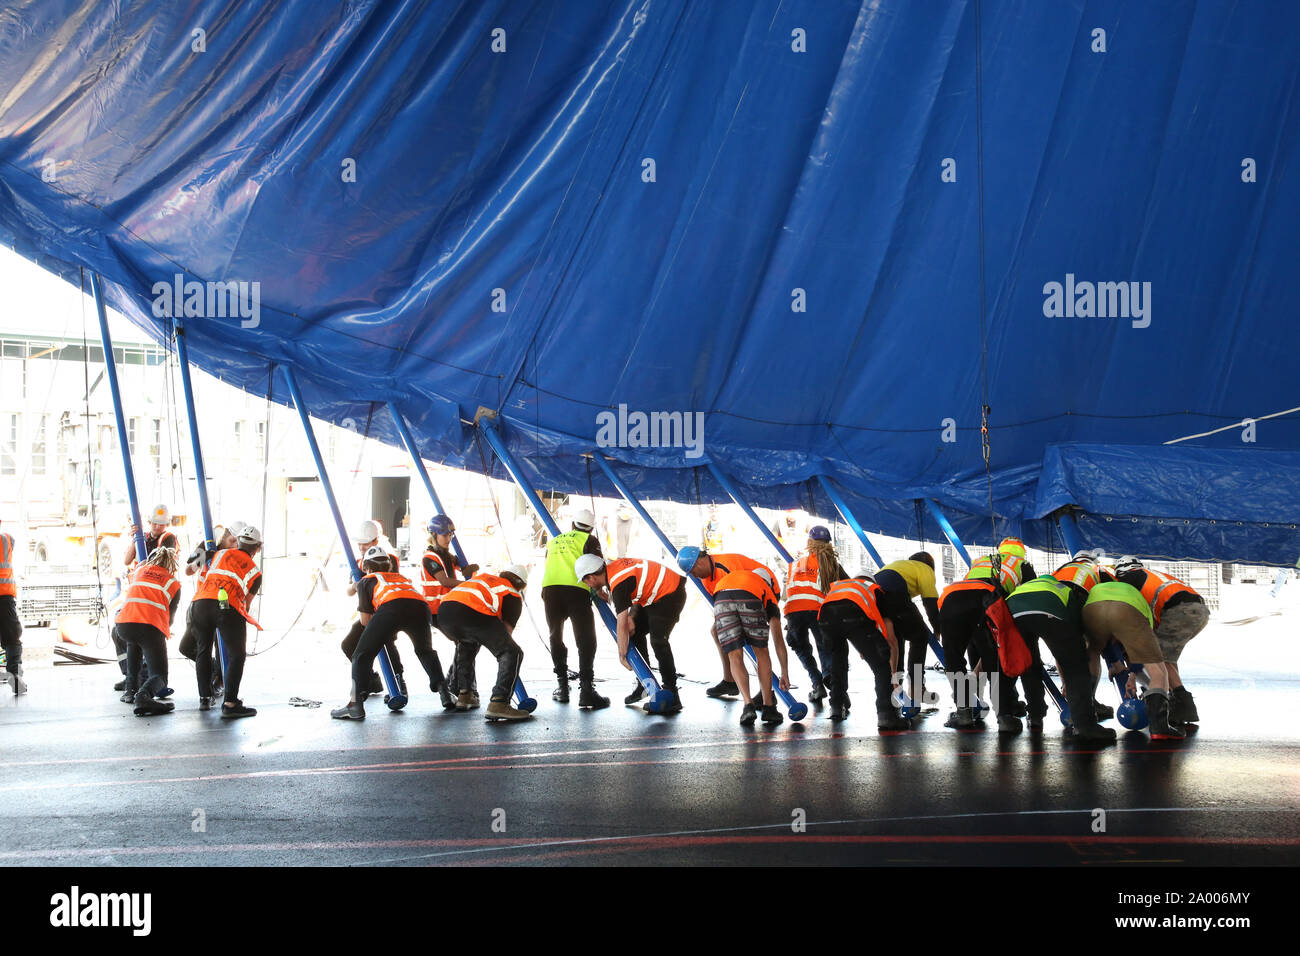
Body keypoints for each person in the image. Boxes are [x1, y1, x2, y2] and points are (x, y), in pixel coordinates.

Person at [331, 546, 448, 720]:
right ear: (388, 567)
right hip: (420, 608)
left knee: (361, 655)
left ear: (367, 568)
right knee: (425, 651)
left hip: (391, 609)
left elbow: (365, 622)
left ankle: (355, 705)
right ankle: (444, 692)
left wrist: (378, 635)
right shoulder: (400, 577)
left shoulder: (367, 580)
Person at [938, 537, 1036, 732]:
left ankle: (964, 713)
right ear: (1022, 552)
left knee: (954, 658)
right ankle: (1004, 716)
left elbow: (970, 585)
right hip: (985, 599)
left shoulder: (982, 560)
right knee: (994, 658)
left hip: (951, 598)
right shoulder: (1021, 564)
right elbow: (1029, 596)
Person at [1003, 576, 1115, 742]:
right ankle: (1085, 726)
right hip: (1049, 610)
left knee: (1029, 664)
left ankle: (1035, 716)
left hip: (1011, 611)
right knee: (1076, 668)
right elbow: (1073, 639)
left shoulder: (1030, 586)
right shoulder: (1067, 592)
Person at [577, 554, 687, 714]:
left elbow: (621, 624)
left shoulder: (618, 583)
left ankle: (672, 694)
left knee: (658, 641)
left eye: (585, 580)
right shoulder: (609, 569)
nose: (586, 584)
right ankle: (645, 683)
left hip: (670, 594)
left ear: (592, 577)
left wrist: (622, 655)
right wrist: (600, 590)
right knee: (633, 633)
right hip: (652, 596)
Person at [1081, 578, 1185, 739]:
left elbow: (1109, 643)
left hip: (1092, 610)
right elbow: (1139, 651)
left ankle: (1085, 716)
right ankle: (1159, 728)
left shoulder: (1098, 586)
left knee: (1092, 655)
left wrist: (1117, 665)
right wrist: (1134, 674)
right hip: (1127, 609)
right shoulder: (1137, 596)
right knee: (1158, 670)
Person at [1114, 556, 1207, 726]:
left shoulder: (1128, 580)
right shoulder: (1152, 575)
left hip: (1179, 611)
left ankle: (1178, 704)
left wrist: (1133, 673)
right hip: (1199, 610)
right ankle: (1177, 702)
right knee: (1167, 658)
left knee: (1157, 658)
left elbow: (1141, 626)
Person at [436, 566, 533, 721]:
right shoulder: (511, 593)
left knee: (467, 643)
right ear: (521, 584)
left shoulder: (485, 580)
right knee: (511, 652)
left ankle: (465, 695)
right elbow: (505, 636)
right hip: (472, 612)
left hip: (444, 613)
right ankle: (499, 703)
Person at [677, 546, 775, 698]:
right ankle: (730, 680)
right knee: (717, 631)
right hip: (741, 596)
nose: (694, 576)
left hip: (764, 589)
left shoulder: (726, 566)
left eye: (693, 572)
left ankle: (766, 692)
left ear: (699, 563)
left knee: (754, 642)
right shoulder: (706, 579)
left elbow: (742, 590)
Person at [819, 574, 910, 730]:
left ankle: (836, 705)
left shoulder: (841, 587)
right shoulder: (875, 590)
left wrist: (865, 648)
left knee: (838, 660)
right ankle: (886, 715)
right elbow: (891, 639)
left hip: (825, 617)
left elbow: (846, 620)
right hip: (853, 614)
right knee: (881, 666)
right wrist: (893, 675)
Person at [190, 524, 263, 717]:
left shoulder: (218, 555)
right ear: (258, 547)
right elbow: (245, 604)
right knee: (236, 655)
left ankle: (204, 698)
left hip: (200, 603)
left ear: (238, 541)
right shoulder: (255, 572)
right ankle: (230, 703)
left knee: (203, 650)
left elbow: (193, 567)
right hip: (226, 606)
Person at [539, 509, 608, 708]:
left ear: (572, 524)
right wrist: (600, 589)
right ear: (591, 528)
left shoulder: (553, 541)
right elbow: (596, 566)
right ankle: (586, 690)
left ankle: (562, 687)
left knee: (555, 636)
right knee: (586, 639)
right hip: (576, 590)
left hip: (550, 590)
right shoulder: (590, 540)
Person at [112, 504, 181, 691]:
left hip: (154, 592)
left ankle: (147, 681)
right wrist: (136, 538)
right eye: (156, 524)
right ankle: (131, 678)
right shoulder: (142, 537)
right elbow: (127, 560)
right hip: (139, 590)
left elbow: (160, 560)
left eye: (162, 524)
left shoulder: (168, 538)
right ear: (150, 522)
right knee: (119, 632)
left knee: (146, 637)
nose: (158, 527)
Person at [712, 564, 790, 726]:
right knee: (761, 653)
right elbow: (778, 639)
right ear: (767, 583)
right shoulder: (765, 590)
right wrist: (784, 672)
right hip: (750, 599)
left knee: (734, 654)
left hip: (721, 600)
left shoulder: (735, 576)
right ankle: (768, 707)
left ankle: (748, 705)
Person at [418, 515, 478, 710]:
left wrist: (471, 569)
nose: (448, 538)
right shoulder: (430, 557)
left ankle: (457, 684)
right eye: (444, 534)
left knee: (466, 644)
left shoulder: (447, 555)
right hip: (436, 611)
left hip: (449, 607)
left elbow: (462, 568)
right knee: (466, 643)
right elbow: (444, 581)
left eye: (450, 534)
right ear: (434, 535)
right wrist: (471, 583)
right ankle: (460, 686)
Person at [342, 519, 405, 697]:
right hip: (367, 614)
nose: (361, 547)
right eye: (360, 543)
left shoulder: (389, 559)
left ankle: (400, 684)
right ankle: (369, 681)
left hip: (386, 611)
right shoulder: (358, 562)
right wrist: (355, 585)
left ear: (376, 542)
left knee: (387, 644)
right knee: (349, 645)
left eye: (366, 543)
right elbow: (349, 591)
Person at [179, 521, 242, 699]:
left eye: (238, 542)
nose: (235, 545)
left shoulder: (234, 556)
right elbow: (188, 570)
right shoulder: (210, 546)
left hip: (222, 605)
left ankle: (218, 683)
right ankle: (215, 671)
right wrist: (205, 555)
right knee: (186, 647)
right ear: (223, 537)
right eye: (232, 541)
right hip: (202, 603)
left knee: (219, 646)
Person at [782, 525, 845, 702]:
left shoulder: (794, 564)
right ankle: (828, 677)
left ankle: (817, 684)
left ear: (809, 542)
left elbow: (787, 594)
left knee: (800, 647)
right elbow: (841, 589)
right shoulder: (831, 564)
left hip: (794, 611)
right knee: (824, 646)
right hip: (818, 610)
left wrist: (790, 618)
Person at [115, 546, 182, 716]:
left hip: (124, 624)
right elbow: (170, 618)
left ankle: (130, 691)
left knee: (133, 643)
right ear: (172, 566)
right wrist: (164, 631)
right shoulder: (173, 582)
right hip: (150, 627)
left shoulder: (140, 571)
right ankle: (143, 696)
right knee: (160, 675)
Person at [873, 552, 943, 707]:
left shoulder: (900, 565)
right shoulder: (925, 569)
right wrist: (937, 628)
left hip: (873, 596)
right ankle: (917, 689)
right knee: (919, 637)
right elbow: (930, 602)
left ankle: (895, 689)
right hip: (895, 595)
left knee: (897, 640)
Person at [0, 520, 25, 695]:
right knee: (12, 639)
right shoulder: (7, 539)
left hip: (6, 597)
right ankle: (14, 677)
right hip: (5, 598)